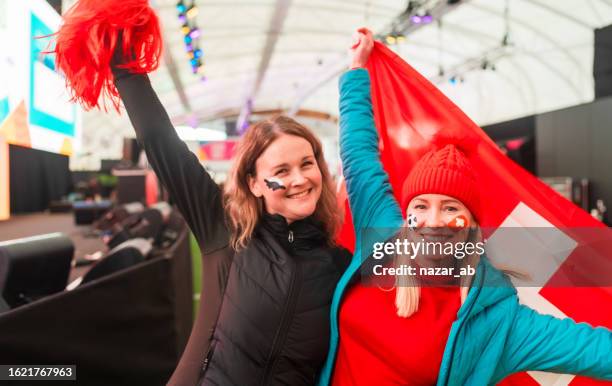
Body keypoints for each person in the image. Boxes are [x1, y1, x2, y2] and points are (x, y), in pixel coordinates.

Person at [317, 28, 612, 386]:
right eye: (421, 205)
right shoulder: (381, 239)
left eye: (450, 208)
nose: (433, 221)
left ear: (471, 223)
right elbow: (359, 155)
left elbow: (597, 350)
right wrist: (356, 71)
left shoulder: (498, 320)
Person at [108, 42, 350, 386]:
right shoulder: (225, 230)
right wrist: (122, 58)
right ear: (254, 184)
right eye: (281, 170)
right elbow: (159, 140)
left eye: (307, 164)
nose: (299, 179)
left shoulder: (338, 263)